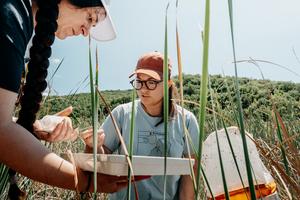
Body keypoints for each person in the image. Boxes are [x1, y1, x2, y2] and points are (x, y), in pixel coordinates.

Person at [0, 0, 139, 195]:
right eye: (90, 17)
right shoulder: (11, 14)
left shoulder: (20, 25)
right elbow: (1, 131)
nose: (85, 32)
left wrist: (36, 126)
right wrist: (85, 181)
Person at [84, 51, 200, 199]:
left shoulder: (187, 121)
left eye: (151, 82)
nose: (143, 89)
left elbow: (191, 173)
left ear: (168, 83)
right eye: (139, 81)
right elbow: (99, 161)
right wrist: (94, 145)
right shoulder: (121, 114)